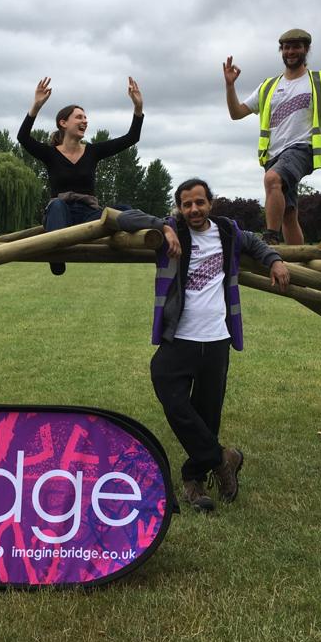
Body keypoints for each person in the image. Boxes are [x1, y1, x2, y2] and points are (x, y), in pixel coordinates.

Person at [118, 178, 290, 511]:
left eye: (199, 202)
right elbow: (123, 218)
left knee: (208, 415)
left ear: (210, 203)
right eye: (187, 204)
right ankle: (223, 458)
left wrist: (275, 260)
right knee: (168, 388)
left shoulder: (226, 231)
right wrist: (161, 227)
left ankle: (194, 480)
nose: (194, 209)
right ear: (179, 208)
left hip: (216, 339)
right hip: (179, 337)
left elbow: (254, 243)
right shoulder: (171, 230)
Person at [223, 28, 321, 245]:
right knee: (287, 215)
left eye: (296, 46)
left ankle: (270, 239)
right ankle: (300, 265)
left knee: (272, 179)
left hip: (302, 149)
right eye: (287, 47)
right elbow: (236, 113)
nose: (291, 51)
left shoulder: (318, 81)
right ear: (282, 51)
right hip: (274, 154)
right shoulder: (268, 86)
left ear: (306, 49)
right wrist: (230, 86)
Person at [17, 76, 144, 274]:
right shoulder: (50, 154)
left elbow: (131, 138)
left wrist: (137, 107)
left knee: (124, 210)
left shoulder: (93, 151)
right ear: (63, 123)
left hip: (89, 215)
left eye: (85, 118)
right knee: (57, 205)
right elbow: (23, 138)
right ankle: (57, 256)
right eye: (79, 117)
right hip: (60, 216)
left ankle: (158, 232)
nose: (85, 120)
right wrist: (36, 106)